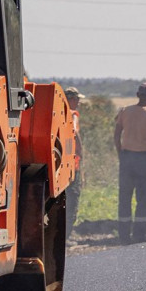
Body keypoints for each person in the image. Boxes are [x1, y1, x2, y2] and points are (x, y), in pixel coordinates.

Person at [113, 82, 146, 244]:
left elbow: (116, 134)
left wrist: (120, 152)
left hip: (127, 157)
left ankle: (123, 236)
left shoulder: (125, 111)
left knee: (125, 197)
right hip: (144, 159)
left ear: (137, 95)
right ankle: (139, 235)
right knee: (143, 198)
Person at [64, 86, 86, 240]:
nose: (78, 102)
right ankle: (67, 235)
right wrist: (81, 151)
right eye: (77, 99)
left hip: (62, 164)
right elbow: (74, 132)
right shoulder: (72, 114)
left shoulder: (57, 113)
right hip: (73, 164)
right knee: (73, 198)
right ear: (71, 99)